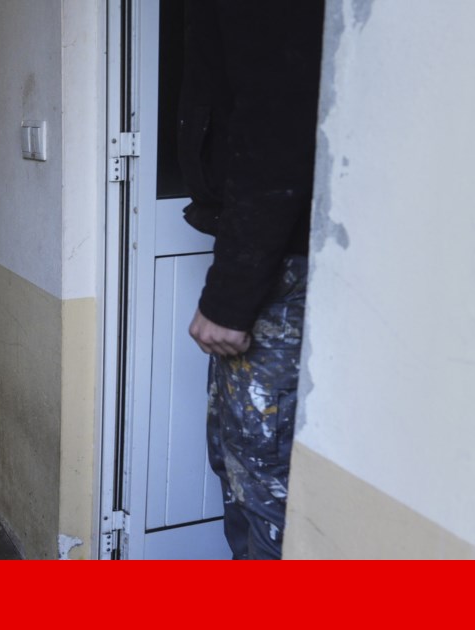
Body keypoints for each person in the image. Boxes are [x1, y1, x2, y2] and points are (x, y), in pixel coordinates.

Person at [179, 0, 324, 559]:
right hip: (269, 256)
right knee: (238, 465)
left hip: (281, 263)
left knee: (260, 480)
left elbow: (277, 126)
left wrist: (230, 299)